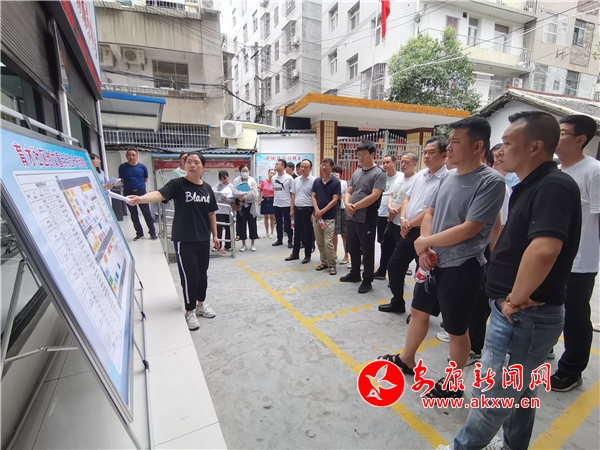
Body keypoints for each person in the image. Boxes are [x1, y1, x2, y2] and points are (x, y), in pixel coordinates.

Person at [441, 111, 582, 450]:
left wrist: (514, 299)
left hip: (523, 314)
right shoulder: (531, 184)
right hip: (521, 312)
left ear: (535, 147)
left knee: (492, 395)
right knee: (519, 390)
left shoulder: (553, 186)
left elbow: (544, 250)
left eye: (507, 143)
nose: (500, 150)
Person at [379, 117, 505, 398]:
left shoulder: (490, 181)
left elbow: (470, 228)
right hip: (433, 261)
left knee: (456, 329)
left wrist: (425, 242)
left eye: (456, 142)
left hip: (462, 266)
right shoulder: (449, 176)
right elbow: (431, 213)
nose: (449, 148)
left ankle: (453, 384)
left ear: (477, 146)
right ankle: (407, 359)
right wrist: (425, 248)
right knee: (419, 312)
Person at [126, 152, 219, 331]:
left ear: (203, 167)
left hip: (202, 238)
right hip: (184, 239)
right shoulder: (177, 184)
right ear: (184, 165)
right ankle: (190, 311)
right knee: (189, 276)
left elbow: (211, 213)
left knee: (202, 274)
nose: (192, 165)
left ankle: (201, 304)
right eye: (188, 162)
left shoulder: (207, 188)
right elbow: (159, 194)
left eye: (196, 162)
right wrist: (140, 199)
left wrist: (214, 236)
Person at [551, 114, 600, 392]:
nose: (556, 137)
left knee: (575, 315)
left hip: (580, 260)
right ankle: (546, 349)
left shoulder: (593, 171)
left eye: (562, 133)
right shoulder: (557, 171)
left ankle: (572, 369)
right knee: (547, 307)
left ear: (580, 139)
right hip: (553, 256)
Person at [379, 137, 449, 313]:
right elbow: (407, 198)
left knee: (424, 272)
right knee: (394, 265)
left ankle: (421, 311)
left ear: (444, 154)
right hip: (408, 230)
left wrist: (409, 223)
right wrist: (403, 219)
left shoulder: (448, 178)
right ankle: (397, 302)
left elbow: (433, 209)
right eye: (425, 152)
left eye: (432, 152)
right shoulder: (421, 175)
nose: (427, 156)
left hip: (428, 234)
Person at [339, 141, 386, 294]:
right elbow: (349, 191)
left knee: (367, 250)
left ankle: (367, 279)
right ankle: (354, 273)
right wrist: (347, 204)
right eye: (359, 155)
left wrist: (354, 207)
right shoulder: (357, 172)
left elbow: (374, 195)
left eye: (364, 154)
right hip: (351, 216)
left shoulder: (379, 173)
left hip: (367, 217)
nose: (361, 157)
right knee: (352, 246)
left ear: (373, 154)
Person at [373, 153, 418, 281]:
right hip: (391, 220)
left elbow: (410, 199)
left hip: (403, 222)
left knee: (400, 253)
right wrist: (389, 207)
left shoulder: (416, 180)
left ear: (414, 164)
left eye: (406, 162)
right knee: (385, 245)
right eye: (402, 162)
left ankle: (398, 278)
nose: (403, 164)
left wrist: (396, 211)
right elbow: (391, 195)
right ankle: (382, 270)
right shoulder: (399, 178)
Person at [119, 148, 158, 241]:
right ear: (126, 156)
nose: (131, 157)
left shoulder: (142, 167)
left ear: (137, 156)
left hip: (141, 192)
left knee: (146, 213)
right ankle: (139, 233)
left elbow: (145, 179)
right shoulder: (122, 167)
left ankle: (152, 233)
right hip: (128, 192)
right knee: (133, 214)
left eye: (133, 155)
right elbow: (122, 180)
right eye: (129, 155)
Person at [312, 158, 341, 275]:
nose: (323, 167)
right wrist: (317, 211)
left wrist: (322, 211)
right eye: (322, 165)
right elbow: (313, 196)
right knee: (320, 242)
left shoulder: (336, 182)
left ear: (331, 167)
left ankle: (332, 264)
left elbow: (335, 199)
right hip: (317, 217)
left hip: (329, 217)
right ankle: (324, 262)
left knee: (328, 242)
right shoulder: (317, 181)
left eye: (326, 165)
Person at [286, 159, 316, 263]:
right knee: (297, 232)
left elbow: (316, 197)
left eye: (305, 167)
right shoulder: (296, 180)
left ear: (310, 168)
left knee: (308, 233)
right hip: (297, 209)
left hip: (308, 209)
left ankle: (307, 255)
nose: (303, 169)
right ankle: (295, 253)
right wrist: (292, 209)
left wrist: (314, 212)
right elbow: (293, 195)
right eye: (301, 167)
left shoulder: (314, 181)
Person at [376, 155, 402, 248]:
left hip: (395, 214)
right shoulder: (381, 177)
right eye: (383, 163)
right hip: (381, 213)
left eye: (388, 162)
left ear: (394, 163)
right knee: (382, 241)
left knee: (394, 242)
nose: (385, 165)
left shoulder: (401, 177)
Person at [233, 164, 259, 252]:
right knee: (242, 224)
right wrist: (247, 193)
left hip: (251, 205)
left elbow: (254, 194)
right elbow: (235, 192)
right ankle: (243, 244)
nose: (245, 173)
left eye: (246, 171)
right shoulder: (236, 180)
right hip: (241, 206)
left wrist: (243, 197)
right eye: (243, 171)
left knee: (252, 224)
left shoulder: (252, 180)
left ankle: (253, 244)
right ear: (240, 171)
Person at [272, 159, 294, 248]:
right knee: (278, 223)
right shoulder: (273, 178)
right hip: (276, 204)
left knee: (288, 224)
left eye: (277, 164)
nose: (275, 165)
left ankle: (290, 240)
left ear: (283, 166)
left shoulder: (289, 178)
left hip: (286, 204)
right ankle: (279, 240)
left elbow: (292, 193)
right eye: (275, 164)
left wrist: (292, 207)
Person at [213, 170, 234, 253]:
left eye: (225, 178)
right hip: (219, 210)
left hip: (229, 210)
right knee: (219, 228)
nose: (224, 180)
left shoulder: (232, 186)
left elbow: (234, 197)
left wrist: (227, 198)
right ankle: (218, 245)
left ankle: (228, 245)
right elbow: (214, 194)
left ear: (228, 176)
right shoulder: (217, 186)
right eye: (222, 179)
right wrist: (221, 195)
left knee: (229, 228)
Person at [332, 165, 350, 265]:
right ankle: (334, 254)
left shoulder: (343, 183)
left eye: (337, 172)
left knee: (344, 234)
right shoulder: (329, 183)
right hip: (334, 209)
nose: (335, 174)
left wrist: (337, 180)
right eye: (334, 172)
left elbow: (341, 194)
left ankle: (346, 256)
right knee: (334, 233)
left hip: (342, 209)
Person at [258, 169, 276, 238]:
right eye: (271, 173)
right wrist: (259, 200)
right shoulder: (263, 182)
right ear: (268, 173)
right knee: (265, 216)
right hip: (265, 199)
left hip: (272, 199)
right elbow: (260, 192)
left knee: (272, 216)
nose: (272, 175)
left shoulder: (275, 182)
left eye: (273, 173)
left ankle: (272, 232)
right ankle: (267, 232)